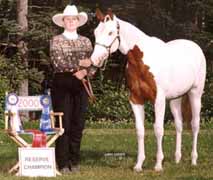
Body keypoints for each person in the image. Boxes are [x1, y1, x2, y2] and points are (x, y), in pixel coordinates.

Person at [50, 5, 95, 173]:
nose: (71, 21)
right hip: (62, 83)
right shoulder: (56, 40)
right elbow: (57, 62)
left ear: (78, 21)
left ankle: (74, 161)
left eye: (74, 19)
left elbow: (94, 63)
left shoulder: (86, 41)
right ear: (63, 22)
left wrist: (85, 71)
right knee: (64, 124)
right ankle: (62, 163)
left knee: (78, 124)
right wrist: (81, 64)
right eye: (67, 19)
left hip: (81, 83)